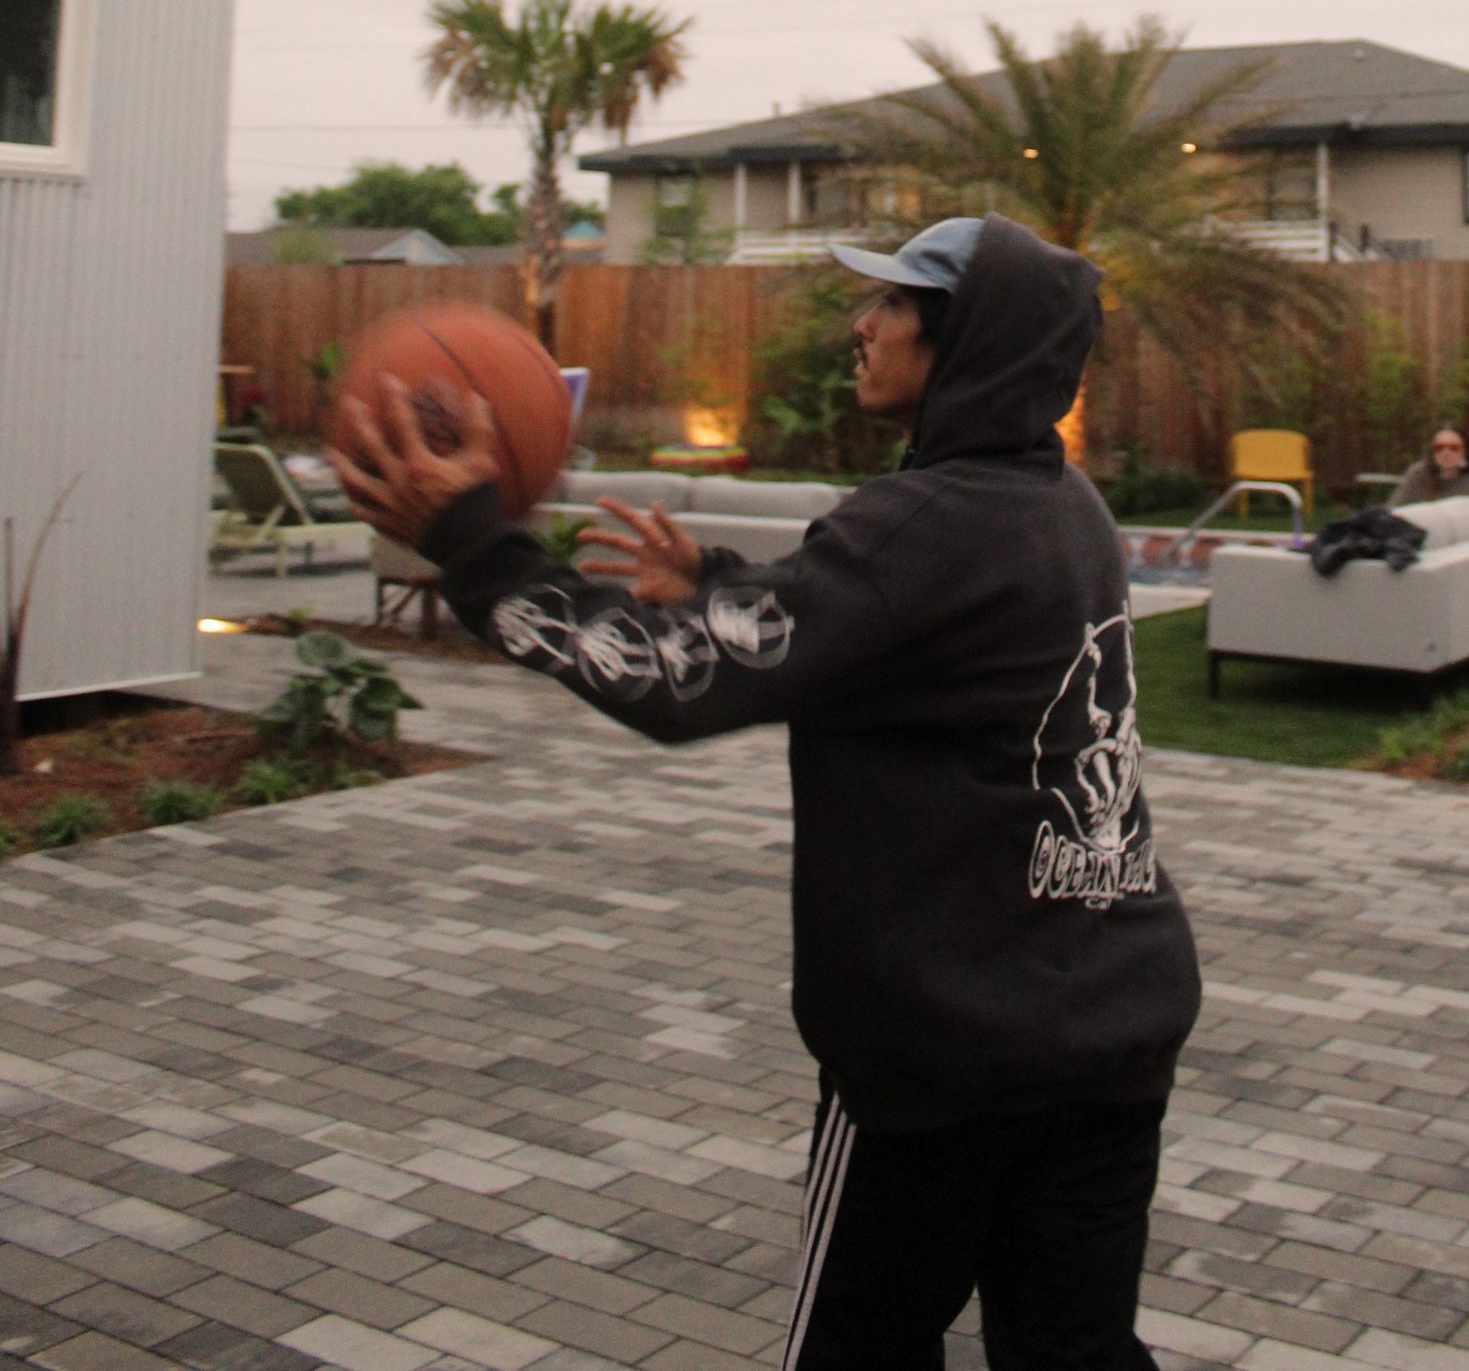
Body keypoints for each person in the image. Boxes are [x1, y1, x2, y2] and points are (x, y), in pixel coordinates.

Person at [331, 213, 1202, 1371]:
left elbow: (671, 680)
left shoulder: (920, 526)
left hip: (944, 1064)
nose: (863, 322)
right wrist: (730, 584)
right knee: (1072, 1355)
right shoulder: (1061, 506)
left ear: (962, 343)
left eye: (891, 304)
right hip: (1109, 1034)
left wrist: (476, 547)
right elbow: (907, 638)